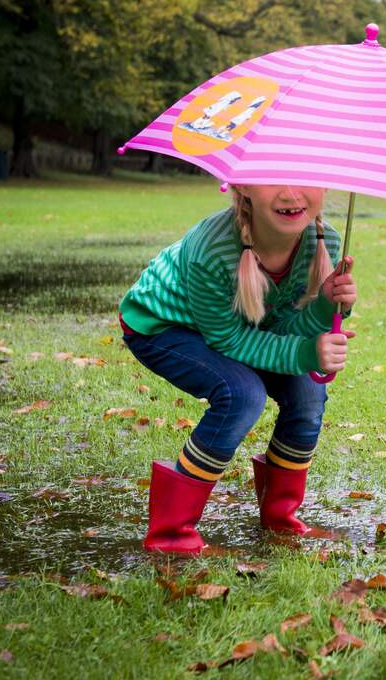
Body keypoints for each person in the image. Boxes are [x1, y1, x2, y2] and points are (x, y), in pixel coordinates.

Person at [118, 184, 357, 555]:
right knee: (241, 395)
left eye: (303, 177)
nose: (291, 193)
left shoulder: (324, 241)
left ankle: (280, 521)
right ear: (244, 186)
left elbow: (281, 326)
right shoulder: (211, 248)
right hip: (165, 326)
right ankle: (172, 535)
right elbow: (230, 341)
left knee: (309, 393)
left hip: (245, 328)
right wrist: (309, 353)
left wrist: (327, 307)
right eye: (274, 177)